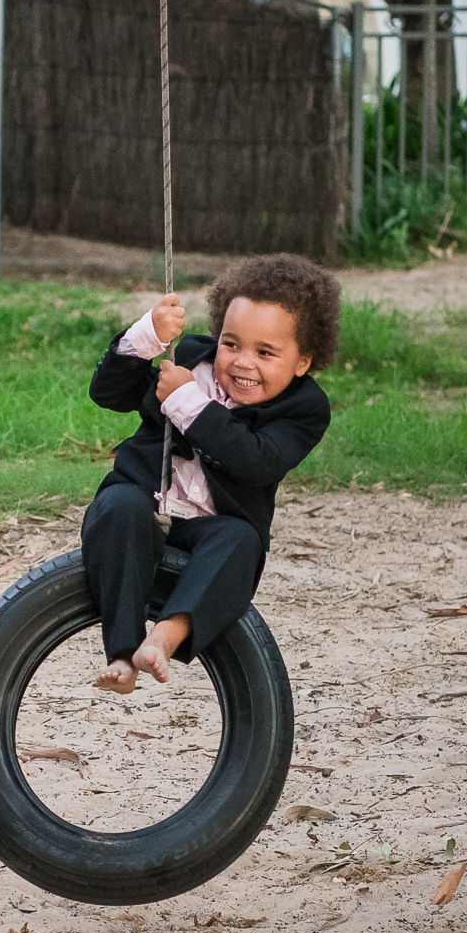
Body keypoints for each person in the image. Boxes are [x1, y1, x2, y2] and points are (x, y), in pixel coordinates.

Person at [82, 254, 339, 693]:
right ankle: (122, 655)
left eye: (266, 352)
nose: (243, 362)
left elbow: (255, 460)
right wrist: (145, 337)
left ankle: (163, 638)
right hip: (146, 502)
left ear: (302, 362)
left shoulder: (305, 410)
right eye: (231, 343)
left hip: (217, 527)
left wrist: (186, 402)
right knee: (119, 507)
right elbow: (109, 393)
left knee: (241, 543)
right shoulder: (189, 361)